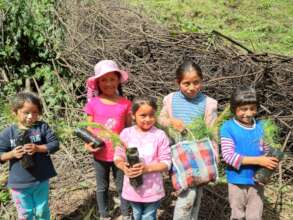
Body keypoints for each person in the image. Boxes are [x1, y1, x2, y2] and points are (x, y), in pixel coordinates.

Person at [158, 60, 218, 220]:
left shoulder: (208, 103)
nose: (192, 88)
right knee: (187, 194)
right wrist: (171, 122)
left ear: (202, 81)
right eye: (186, 83)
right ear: (178, 83)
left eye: (196, 82)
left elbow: (212, 132)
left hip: (200, 156)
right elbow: (160, 119)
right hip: (178, 155)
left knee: (197, 194)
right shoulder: (170, 99)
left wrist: (214, 157)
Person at [220, 86, 279, 220]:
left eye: (252, 108)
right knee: (237, 214)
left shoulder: (261, 127)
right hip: (237, 180)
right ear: (234, 108)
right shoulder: (228, 127)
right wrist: (258, 160)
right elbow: (228, 156)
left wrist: (267, 170)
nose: (248, 113)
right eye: (243, 109)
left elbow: (267, 153)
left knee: (255, 215)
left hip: (257, 181)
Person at [84, 60, 132, 220]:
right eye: (104, 80)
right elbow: (88, 127)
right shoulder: (93, 103)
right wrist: (88, 143)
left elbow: (128, 128)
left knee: (122, 185)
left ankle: (125, 214)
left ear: (118, 80)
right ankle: (104, 215)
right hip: (100, 154)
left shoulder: (126, 104)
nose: (108, 83)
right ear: (97, 82)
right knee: (102, 187)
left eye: (112, 79)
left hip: (119, 154)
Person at [0, 91, 59, 220]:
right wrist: (12, 154)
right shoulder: (8, 133)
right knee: (25, 214)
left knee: (42, 210)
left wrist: (38, 148)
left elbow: (54, 144)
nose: (30, 116)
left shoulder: (42, 127)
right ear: (15, 112)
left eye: (35, 112)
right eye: (26, 112)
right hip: (19, 184)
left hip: (41, 180)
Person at [114, 96, 171, 220]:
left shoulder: (159, 135)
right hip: (132, 189)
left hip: (152, 189)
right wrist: (124, 167)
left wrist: (147, 168)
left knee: (148, 216)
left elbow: (166, 162)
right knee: (136, 214)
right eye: (143, 115)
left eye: (151, 115)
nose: (148, 119)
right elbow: (118, 156)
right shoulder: (126, 134)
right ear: (133, 115)